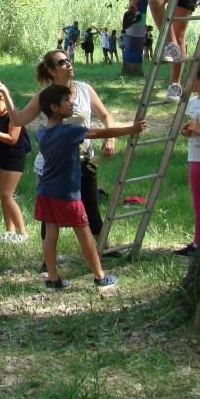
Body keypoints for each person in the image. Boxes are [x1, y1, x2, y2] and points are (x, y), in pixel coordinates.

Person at [0, 50, 120, 241]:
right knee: (50, 218)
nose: (69, 63)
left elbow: (106, 115)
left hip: (84, 160)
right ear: (52, 70)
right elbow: (19, 119)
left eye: (68, 60)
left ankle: (101, 251)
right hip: (55, 165)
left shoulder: (84, 89)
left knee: (91, 209)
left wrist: (111, 137)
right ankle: (49, 263)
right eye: (62, 62)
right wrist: (4, 92)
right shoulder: (45, 95)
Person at [35, 84, 146, 288]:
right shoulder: (69, 131)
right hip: (67, 194)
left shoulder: (41, 132)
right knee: (85, 235)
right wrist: (133, 129)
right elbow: (100, 133)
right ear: (54, 107)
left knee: (50, 234)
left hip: (45, 190)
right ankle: (100, 276)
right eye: (67, 101)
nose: (72, 103)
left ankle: (52, 277)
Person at [176, 62, 200, 256]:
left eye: (190, 77)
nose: (186, 82)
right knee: (198, 204)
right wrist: (187, 132)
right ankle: (198, 242)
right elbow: (192, 128)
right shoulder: (192, 102)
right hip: (195, 157)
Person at [0, 88, 29, 242]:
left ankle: (22, 233)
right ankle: (10, 231)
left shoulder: (14, 115)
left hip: (14, 157)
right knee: (2, 195)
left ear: (3, 100)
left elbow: (12, 138)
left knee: (7, 194)